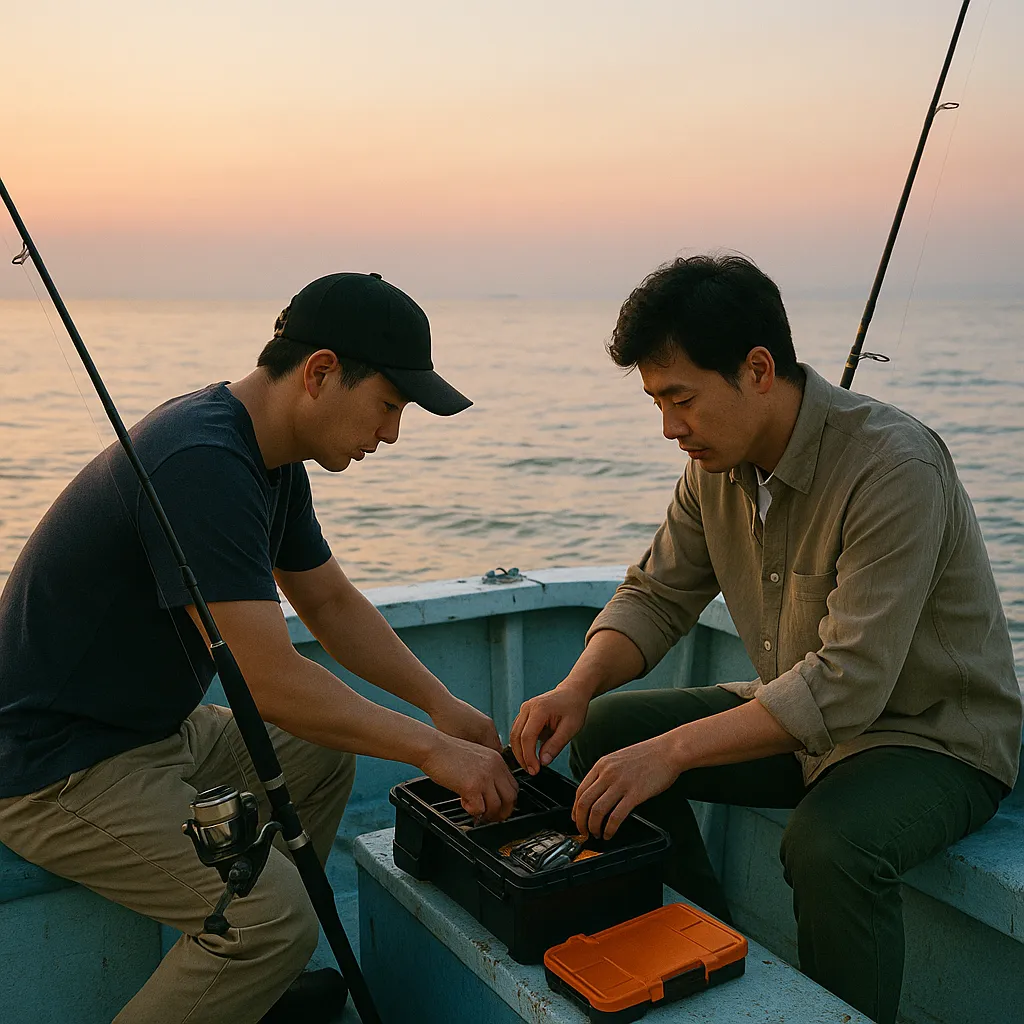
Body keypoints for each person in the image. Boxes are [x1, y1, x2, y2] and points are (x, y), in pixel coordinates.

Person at [510, 254, 1021, 1024]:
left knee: (829, 845)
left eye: (681, 399)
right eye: (655, 402)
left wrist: (676, 750)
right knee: (611, 733)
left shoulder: (895, 465)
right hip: (801, 724)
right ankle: (709, 952)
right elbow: (656, 593)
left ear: (757, 370)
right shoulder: (714, 465)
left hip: (933, 738)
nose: (668, 428)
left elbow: (848, 681)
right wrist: (574, 688)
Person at [0, 272, 518, 1024]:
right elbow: (268, 680)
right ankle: (255, 950)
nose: (393, 432)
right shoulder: (202, 460)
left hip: (149, 731)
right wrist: (435, 753)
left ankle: (248, 991)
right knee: (273, 919)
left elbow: (332, 605)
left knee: (318, 752)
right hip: (57, 767)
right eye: (389, 405)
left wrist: (443, 707)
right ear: (319, 373)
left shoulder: (268, 458)